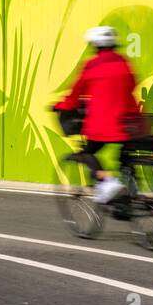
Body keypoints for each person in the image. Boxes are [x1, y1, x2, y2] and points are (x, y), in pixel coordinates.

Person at [54, 26, 140, 204]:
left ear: (95, 45)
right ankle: (131, 190)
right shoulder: (124, 62)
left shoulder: (92, 66)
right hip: (130, 123)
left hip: (103, 125)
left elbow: (74, 96)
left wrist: (59, 105)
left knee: (87, 153)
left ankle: (108, 182)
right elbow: (133, 84)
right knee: (125, 154)